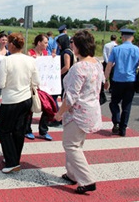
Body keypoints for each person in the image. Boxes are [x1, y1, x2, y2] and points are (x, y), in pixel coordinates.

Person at [53, 30, 104, 194]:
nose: (71, 45)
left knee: (71, 145)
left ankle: (87, 180)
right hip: (91, 111)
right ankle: (72, 174)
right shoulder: (97, 63)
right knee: (76, 143)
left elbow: (71, 97)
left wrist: (59, 113)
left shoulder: (79, 68)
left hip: (78, 113)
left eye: (73, 43)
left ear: (79, 46)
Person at [0, 33, 40, 174]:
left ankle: (11, 161)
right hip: (26, 99)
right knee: (18, 130)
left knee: (4, 130)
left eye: (8, 42)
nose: (7, 44)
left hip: (10, 100)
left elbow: (0, 83)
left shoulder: (6, 61)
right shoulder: (30, 60)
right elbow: (36, 82)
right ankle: (15, 157)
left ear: (12, 45)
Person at [104, 28, 139, 137]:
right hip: (131, 81)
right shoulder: (138, 50)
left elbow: (109, 65)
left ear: (122, 37)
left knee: (114, 103)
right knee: (127, 105)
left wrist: (106, 79)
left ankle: (116, 121)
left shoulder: (117, 49)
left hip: (118, 80)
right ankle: (123, 129)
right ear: (133, 38)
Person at [24, 34, 53, 141]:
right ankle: (27, 130)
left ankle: (43, 130)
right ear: (39, 43)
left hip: (44, 86)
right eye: (45, 42)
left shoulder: (46, 54)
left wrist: (53, 59)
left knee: (48, 107)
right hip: (33, 86)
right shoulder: (29, 53)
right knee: (30, 109)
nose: (47, 45)